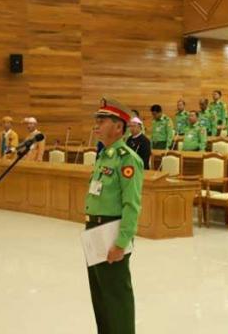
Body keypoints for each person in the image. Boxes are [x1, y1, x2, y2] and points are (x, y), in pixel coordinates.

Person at [85, 97, 143, 334]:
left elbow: (132, 205)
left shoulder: (127, 158)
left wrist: (121, 242)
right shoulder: (104, 155)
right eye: (96, 120)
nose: (96, 125)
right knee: (100, 296)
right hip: (94, 230)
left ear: (119, 127)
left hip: (112, 231)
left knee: (117, 298)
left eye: (103, 120)